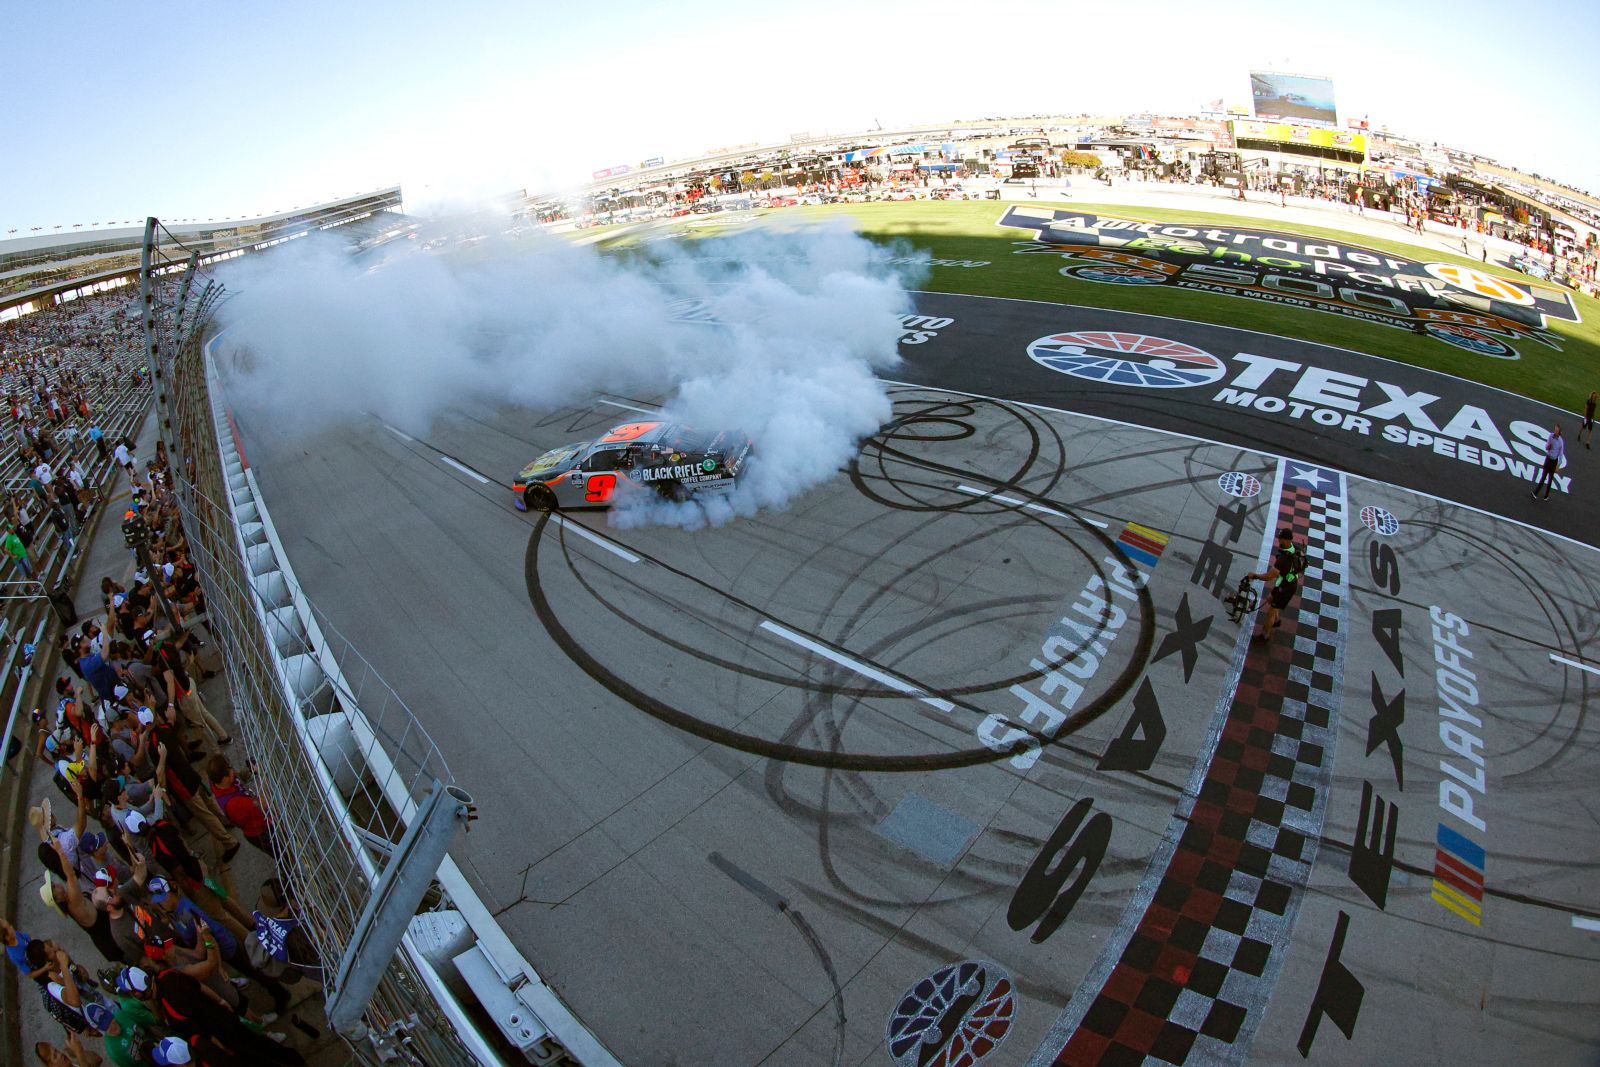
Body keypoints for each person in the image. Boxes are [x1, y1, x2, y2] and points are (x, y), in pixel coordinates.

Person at [1244, 528, 1305, 643]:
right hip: (1287, 583)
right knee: (1270, 599)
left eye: (1280, 539)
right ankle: (1276, 621)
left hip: (1286, 589)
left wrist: (1255, 576)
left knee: (1271, 610)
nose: (1278, 540)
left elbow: (1269, 577)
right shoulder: (1297, 549)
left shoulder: (1283, 559)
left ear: (1286, 540)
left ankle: (1264, 636)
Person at [1532, 424, 1565, 500]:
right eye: (1555, 430)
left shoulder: (1560, 442)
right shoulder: (1551, 436)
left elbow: (1561, 454)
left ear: (1559, 432)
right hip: (1548, 459)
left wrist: (1558, 466)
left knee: (1550, 479)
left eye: (1557, 431)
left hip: (1554, 461)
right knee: (1543, 476)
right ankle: (1535, 492)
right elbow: (1546, 447)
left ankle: (1546, 495)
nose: (1555, 432)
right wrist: (1548, 446)